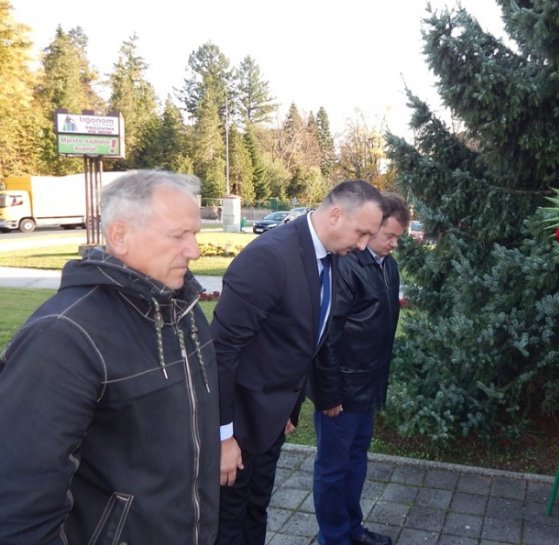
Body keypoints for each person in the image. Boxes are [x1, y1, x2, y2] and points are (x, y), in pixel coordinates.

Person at [0, 170, 220, 544]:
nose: (194, 250)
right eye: (178, 235)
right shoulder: (64, 336)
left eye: (195, 234)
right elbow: (21, 500)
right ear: (120, 236)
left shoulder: (183, 309)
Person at [211, 179, 384, 545]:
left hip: (271, 421)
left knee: (256, 510)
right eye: (362, 232)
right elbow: (221, 352)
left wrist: (289, 411)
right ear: (336, 214)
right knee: (228, 524)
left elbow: (305, 340)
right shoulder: (270, 257)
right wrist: (222, 437)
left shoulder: (331, 257)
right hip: (237, 424)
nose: (364, 244)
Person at [310, 193, 411, 545]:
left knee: (356, 464)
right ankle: (333, 538)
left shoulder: (388, 266)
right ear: (372, 227)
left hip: (367, 387)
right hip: (341, 392)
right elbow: (327, 334)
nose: (394, 244)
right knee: (333, 470)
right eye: (389, 236)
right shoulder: (346, 264)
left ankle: (352, 529)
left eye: (398, 238)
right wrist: (329, 393)